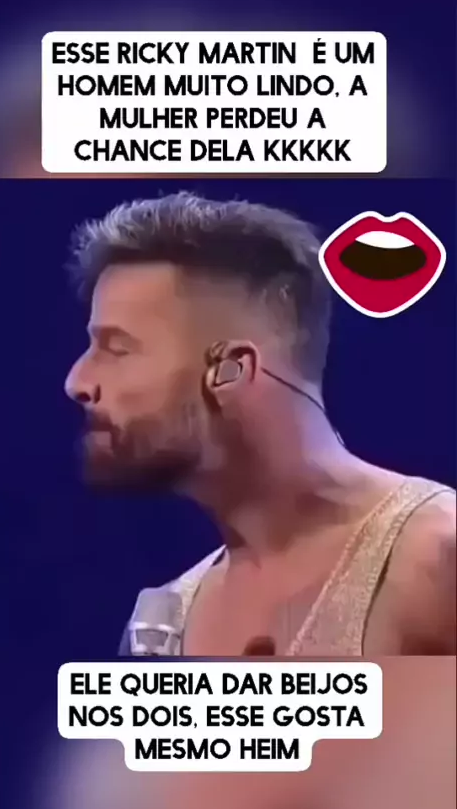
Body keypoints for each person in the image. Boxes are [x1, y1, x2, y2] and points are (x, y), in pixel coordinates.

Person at [65, 192, 456, 656]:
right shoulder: (161, 627)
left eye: (117, 349)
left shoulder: (435, 558)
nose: (78, 382)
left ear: (231, 369)